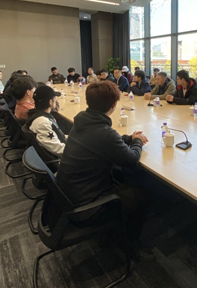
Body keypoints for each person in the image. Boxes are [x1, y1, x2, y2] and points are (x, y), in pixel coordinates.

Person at [56, 81, 153, 260]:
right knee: (142, 196)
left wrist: (128, 138)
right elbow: (131, 160)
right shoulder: (104, 133)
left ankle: (118, 226)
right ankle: (131, 244)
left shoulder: (82, 121)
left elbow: (106, 140)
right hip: (84, 208)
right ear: (113, 105)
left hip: (67, 195)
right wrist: (138, 141)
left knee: (118, 175)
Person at [25, 86, 67, 157]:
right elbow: (57, 149)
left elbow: (57, 135)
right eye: (55, 98)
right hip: (62, 159)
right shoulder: (42, 122)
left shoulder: (38, 115)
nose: (56, 100)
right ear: (50, 102)